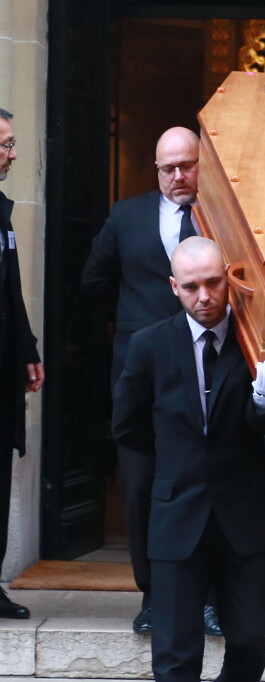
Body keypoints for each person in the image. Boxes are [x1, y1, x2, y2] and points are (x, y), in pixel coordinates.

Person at [111, 236, 265, 682]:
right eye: (191, 286)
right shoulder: (149, 346)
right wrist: (173, 477)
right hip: (178, 514)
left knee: (254, 637)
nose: (205, 295)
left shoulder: (253, 336)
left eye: (213, 282)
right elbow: (130, 428)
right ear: (174, 288)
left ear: (229, 278)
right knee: (174, 657)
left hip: (245, 513)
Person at [81, 126, 220, 636]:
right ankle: (154, 599)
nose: (179, 176)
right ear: (155, 169)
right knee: (140, 489)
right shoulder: (126, 216)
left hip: (209, 371)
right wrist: (134, 326)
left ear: (202, 164)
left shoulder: (224, 215)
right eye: (168, 168)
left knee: (204, 486)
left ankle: (207, 598)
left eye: (187, 165)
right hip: (140, 374)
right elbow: (93, 281)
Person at [0, 108, 45, 618]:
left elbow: (12, 291)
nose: (13, 155)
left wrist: (28, 350)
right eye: (7, 145)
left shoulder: (2, 211)